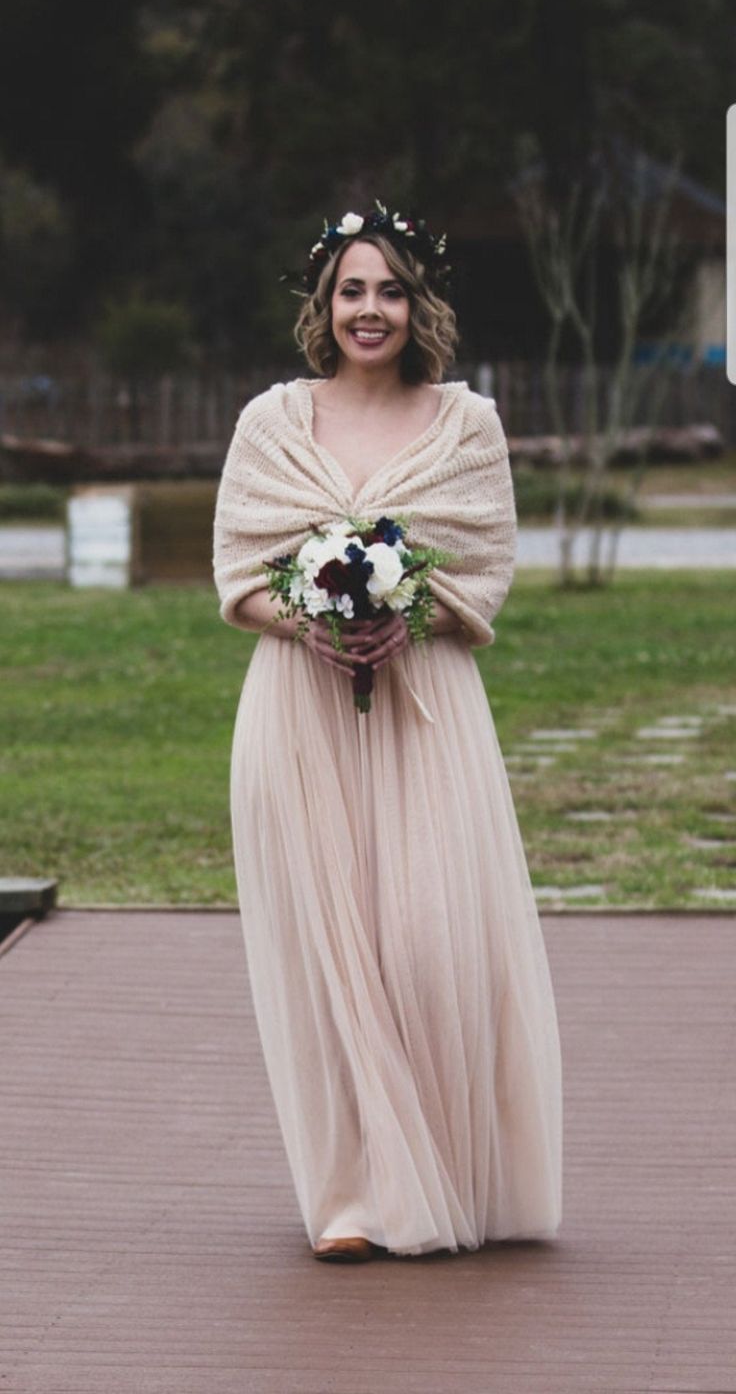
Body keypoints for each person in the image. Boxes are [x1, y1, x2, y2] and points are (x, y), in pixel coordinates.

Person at [212, 204, 562, 1263]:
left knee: (424, 941)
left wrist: (404, 613)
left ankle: (455, 1174)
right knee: (331, 953)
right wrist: (311, 624)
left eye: (391, 290)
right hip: (299, 708)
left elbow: (485, 571)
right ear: (324, 303)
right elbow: (236, 575)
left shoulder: (467, 424)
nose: (371, 310)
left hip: (427, 707)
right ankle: (357, 1196)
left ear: (421, 304)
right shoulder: (270, 423)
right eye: (353, 290)